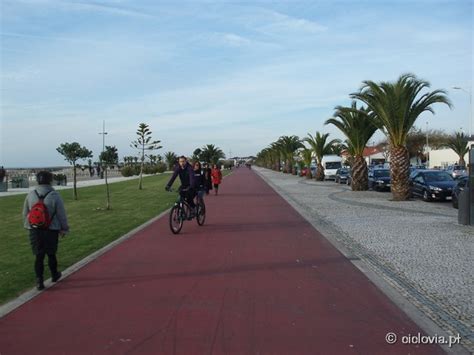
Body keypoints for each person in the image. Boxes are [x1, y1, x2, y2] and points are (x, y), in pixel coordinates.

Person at [23, 171, 69, 290]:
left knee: (39, 256)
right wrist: (64, 228)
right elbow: (61, 214)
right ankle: (54, 275)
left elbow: (25, 213)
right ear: (50, 180)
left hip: (35, 230)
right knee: (51, 254)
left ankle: (39, 281)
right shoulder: (54, 195)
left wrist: (29, 226)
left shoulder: (31, 194)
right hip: (51, 229)